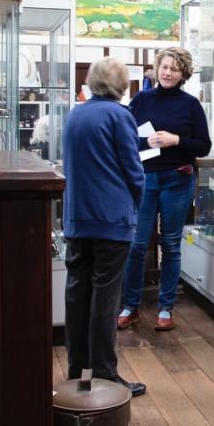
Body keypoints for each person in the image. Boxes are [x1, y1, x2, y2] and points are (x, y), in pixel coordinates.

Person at [62, 57, 146, 396]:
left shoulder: (75, 113)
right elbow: (133, 169)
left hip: (77, 218)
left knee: (77, 293)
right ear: (122, 86)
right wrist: (135, 204)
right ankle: (105, 374)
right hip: (112, 219)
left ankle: (75, 369)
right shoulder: (119, 115)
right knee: (106, 297)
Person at [118, 47, 211, 332]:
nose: (167, 72)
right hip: (144, 179)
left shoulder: (191, 104)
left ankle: (165, 308)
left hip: (177, 180)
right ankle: (130, 306)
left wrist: (176, 140)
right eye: (164, 67)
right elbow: (125, 136)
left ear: (183, 73)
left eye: (174, 68)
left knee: (170, 245)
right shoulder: (141, 99)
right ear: (157, 69)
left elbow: (203, 146)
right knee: (136, 245)